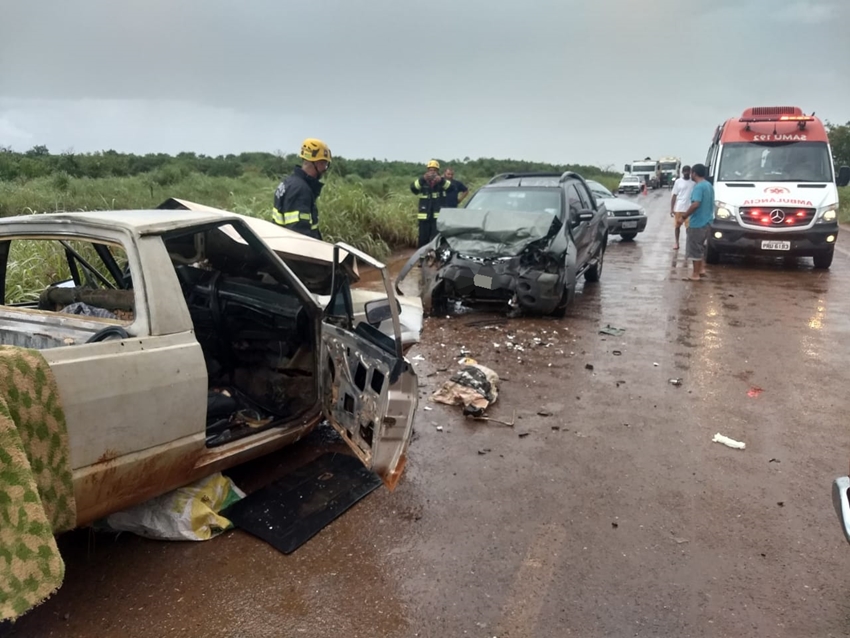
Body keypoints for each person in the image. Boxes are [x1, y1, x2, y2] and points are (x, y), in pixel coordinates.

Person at [272, 138, 332, 239]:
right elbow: (299, 234)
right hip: (295, 251)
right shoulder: (301, 190)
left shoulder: (288, 183)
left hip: (280, 245)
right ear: (318, 163)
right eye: (325, 164)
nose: (324, 169)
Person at [680, 163, 715, 281]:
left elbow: (695, 204)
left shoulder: (698, 187)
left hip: (698, 222)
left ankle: (695, 274)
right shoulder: (709, 185)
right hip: (707, 221)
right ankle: (701, 269)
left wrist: (684, 216)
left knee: (694, 248)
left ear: (694, 173)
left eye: (691, 173)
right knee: (701, 247)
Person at [411, 160, 452, 247]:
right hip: (424, 217)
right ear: (427, 171)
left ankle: (435, 258)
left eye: (434, 170)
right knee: (423, 240)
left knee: (436, 240)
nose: (432, 172)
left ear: (438, 171)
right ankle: (422, 258)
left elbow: (451, 188)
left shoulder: (442, 181)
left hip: (437, 218)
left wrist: (441, 181)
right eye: (430, 170)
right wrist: (423, 179)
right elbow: (413, 189)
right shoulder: (422, 181)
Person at [670, 165, 694, 250]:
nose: (687, 173)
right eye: (685, 171)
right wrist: (672, 209)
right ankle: (676, 242)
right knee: (677, 227)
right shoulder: (678, 182)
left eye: (689, 171)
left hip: (689, 209)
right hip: (679, 208)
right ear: (683, 172)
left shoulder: (693, 183)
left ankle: (688, 244)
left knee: (689, 229)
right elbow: (674, 195)